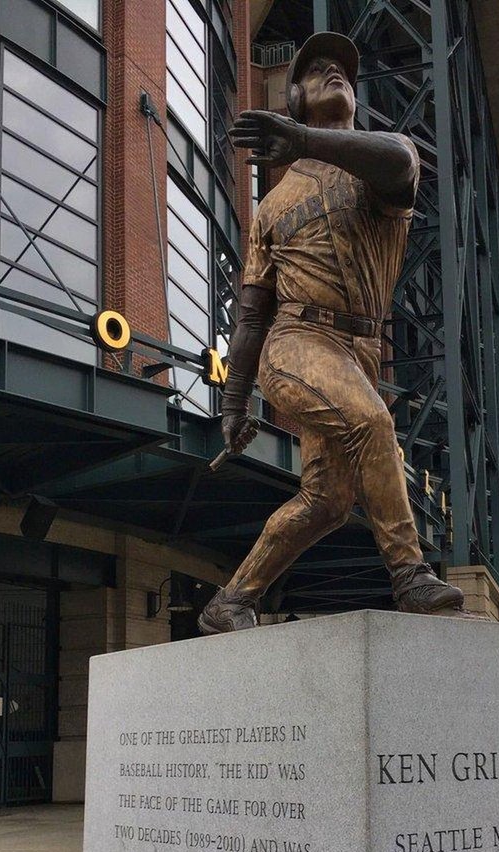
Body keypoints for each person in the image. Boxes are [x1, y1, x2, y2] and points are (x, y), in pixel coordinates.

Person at [198, 32, 467, 634]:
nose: (334, 74)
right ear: (293, 96)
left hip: (359, 349)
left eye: (342, 70)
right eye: (316, 71)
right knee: (373, 422)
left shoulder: (381, 157)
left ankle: (230, 601)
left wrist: (304, 140)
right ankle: (410, 574)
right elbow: (250, 316)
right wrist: (235, 400)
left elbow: (399, 162)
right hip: (297, 343)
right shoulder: (271, 205)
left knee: (326, 502)